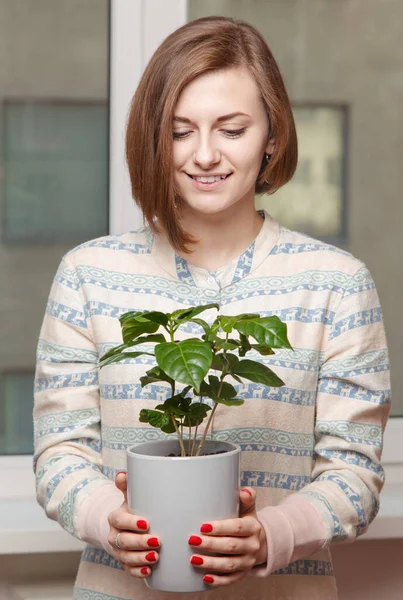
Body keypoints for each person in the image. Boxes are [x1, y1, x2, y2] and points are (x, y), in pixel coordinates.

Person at [33, 15, 391, 600]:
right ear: (154, 137)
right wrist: (109, 520)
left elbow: (354, 477)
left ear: (271, 137)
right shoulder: (88, 274)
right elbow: (60, 450)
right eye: (179, 131)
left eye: (231, 129)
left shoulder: (337, 284)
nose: (204, 155)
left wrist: (269, 534)